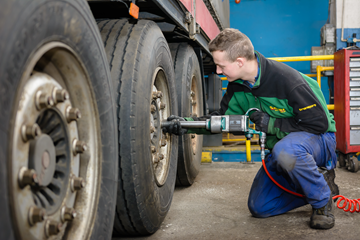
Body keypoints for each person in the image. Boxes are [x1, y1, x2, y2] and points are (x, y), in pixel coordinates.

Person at [163, 28, 340, 229]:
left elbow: (318, 124)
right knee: (260, 207)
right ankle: (320, 185)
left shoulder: (286, 81)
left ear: (239, 62)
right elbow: (221, 120)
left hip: (319, 141)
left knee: (287, 151)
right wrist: (185, 124)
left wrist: (271, 124)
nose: (218, 72)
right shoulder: (237, 87)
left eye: (221, 66)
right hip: (283, 151)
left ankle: (322, 202)